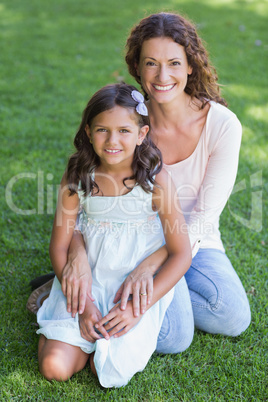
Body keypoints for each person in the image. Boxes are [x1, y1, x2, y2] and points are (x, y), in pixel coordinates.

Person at [59, 12, 251, 344]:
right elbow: (87, 196)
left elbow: (203, 219)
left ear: (190, 66)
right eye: (151, 63)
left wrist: (151, 266)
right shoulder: (127, 126)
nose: (163, 76)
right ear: (137, 67)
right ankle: (83, 286)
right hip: (127, 236)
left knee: (231, 315)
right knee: (173, 334)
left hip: (191, 239)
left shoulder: (223, 125)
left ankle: (95, 289)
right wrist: (75, 251)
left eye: (174, 63)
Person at [36, 83, 192, 388]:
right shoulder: (78, 175)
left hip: (131, 284)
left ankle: (96, 339)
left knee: (106, 371)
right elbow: (59, 245)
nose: (112, 141)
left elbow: (181, 253)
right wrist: (84, 306)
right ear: (88, 131)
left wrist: (138, 309)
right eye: (102, 130)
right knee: (55, 368)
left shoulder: (155, 179)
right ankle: (52, 318)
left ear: (141, 134)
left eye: (123, 130)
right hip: (89, 279)